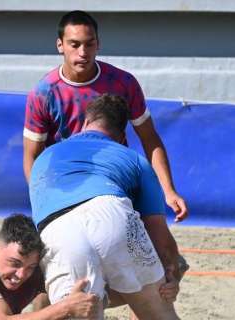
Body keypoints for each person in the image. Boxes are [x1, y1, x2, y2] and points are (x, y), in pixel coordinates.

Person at [23, 10, 187, 223]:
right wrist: (42, 198)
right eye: (74, 44)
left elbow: (150, 138)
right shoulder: (43, 93)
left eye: (89, 44)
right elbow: (32, 155)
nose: (83, 52)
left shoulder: (123, 83)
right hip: (67, 185)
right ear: (60, 45)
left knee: (148, 244)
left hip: (116, 183)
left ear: (98, 44)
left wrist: (168, 191)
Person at [30, 94, 181, 319]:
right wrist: (172, 270)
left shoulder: (45, 157)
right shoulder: (133, 158)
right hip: (111, 212)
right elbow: (158, 230)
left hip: (56, 227)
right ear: (122, 137)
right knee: (159, 312)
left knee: (75, 309)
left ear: (83, 124)